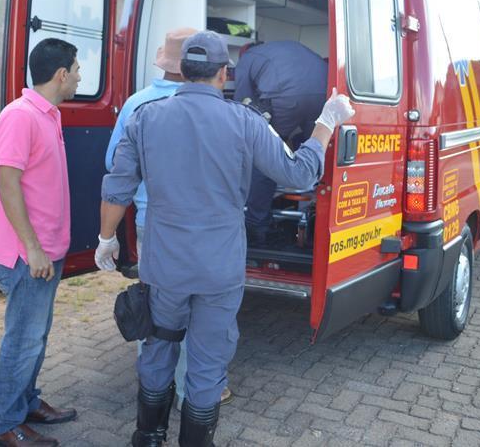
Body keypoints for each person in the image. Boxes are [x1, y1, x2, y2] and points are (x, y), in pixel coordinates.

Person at [96, 31, 354, 446]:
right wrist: (326, 122)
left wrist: (106, 238)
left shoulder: (146, 117)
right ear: (223, 74)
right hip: (219, 270)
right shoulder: (246, 122)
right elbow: (299, 174)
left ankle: (147, 437)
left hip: (164, 268)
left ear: (182, 70)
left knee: (159, 346)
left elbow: (117, 188)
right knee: (207, 360)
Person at [104, 27, 232, 410]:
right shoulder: (215, 109)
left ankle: (154, 383)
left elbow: (115, 165)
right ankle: (193, 390)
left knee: (158, 307)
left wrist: (106, 234)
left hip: (153, 224)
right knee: (202, 309)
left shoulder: (138, 105)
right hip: (206, 227)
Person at [0, 38, 81, 447]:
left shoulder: (48, 115)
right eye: (76, 70)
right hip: (27, 254)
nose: (79, 77)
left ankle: (27, 403)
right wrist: (34, 247)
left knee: (35, 335)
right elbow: (8, 184)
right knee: (23, 339)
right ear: (61, 74)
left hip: (45, 252)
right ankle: (4, 425)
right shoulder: (19, 116)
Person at [233, 40, 328, 250]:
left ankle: (257, 224)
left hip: (288, 95)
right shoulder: (284, 48)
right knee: (314, 145)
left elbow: (242, 106)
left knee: (265, 156)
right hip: (324, 92)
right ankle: (319, 209)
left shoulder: (247, 59)